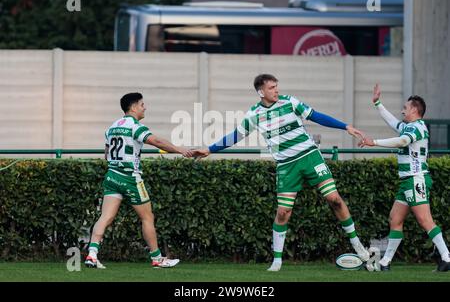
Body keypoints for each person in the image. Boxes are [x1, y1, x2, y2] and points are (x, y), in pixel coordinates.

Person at [192, 74, 370, 271]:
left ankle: (357, 245)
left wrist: (346, 127)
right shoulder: (254, 114)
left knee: (335, 199)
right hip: (286, 165)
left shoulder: (290, 102)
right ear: (261, 92)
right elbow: (235, 136)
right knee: (283, 212)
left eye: (276, 87)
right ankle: (277, 260)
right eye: (271, 88)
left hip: (310, 157)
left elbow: (316, 116)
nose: (276, 90)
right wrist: (210, 149)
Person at [85, 92, 193, 269]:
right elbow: (155, 141)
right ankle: (157, 259)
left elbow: (107, 153)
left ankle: (92, 254)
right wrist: (180, 149)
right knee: (147, 217)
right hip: (130, 178)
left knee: (105, 217)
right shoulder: (135, 126)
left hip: (112, 176)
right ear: (133, 107)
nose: (145, 107)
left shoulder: (112, 127)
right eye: (142, 104)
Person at [358, 84, 450, 272]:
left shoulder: (417, 128)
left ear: (414, 110)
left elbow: (402, 141)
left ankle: (447, 257)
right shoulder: (410, 126)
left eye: (405, 108)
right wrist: (378, 104)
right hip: (408, 181)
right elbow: (393, 123)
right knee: (395, 219)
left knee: (425, 221)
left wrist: (373, 142)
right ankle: (385, 263)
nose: (402, 111)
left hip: (416, 179)